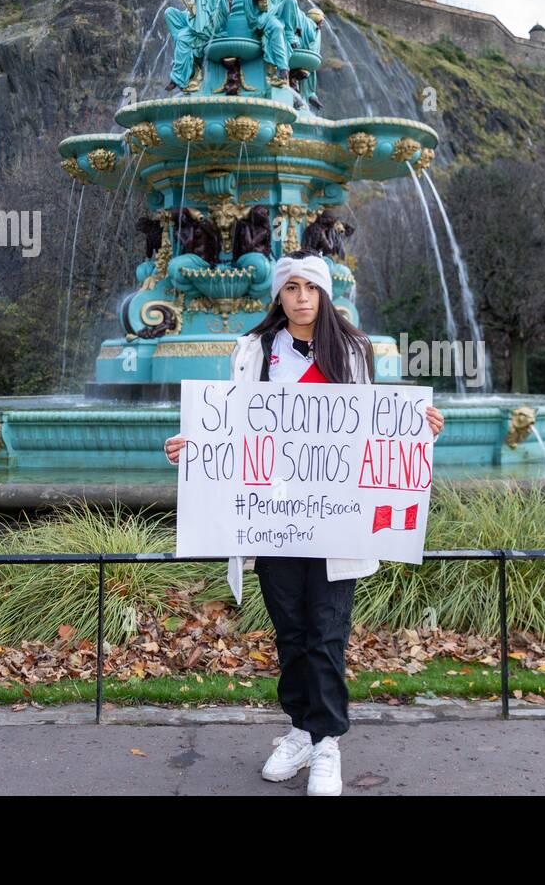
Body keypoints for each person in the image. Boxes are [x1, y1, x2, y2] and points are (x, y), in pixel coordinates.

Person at [164, 251, 445, 795]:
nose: (300, 298)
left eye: (309, 288)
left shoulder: (354, 351)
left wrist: (421, 430)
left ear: (324, 294)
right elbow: (235, 427)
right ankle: (299, 729)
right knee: (290, 630)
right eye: (290, 288)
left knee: (327, 631)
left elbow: (372, 426)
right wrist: (191, 446)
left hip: (336, 517)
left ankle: (328, 744)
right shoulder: (251, 350)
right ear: (279, 295)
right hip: (273, 516)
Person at [162, 0, 228, 92]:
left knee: (183, 38)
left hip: (209, 25)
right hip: (198, 19)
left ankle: (178, 78)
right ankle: (187, 53)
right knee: (170, 13)